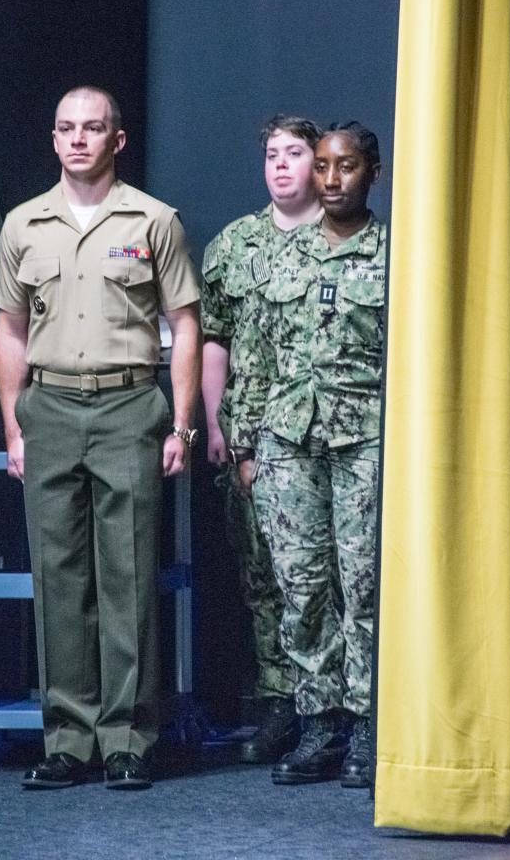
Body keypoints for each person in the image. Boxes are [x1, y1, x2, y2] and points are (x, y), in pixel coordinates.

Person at [0, 86, 201, 790]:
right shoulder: (24, 224)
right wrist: (12, 426)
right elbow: (11, 331)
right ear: (53, 140)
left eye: (93, 128)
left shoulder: (153, 220)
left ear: (117, 140)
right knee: (59, 578)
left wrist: (182, 422)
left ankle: (128, 737)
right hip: (48, 408)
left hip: (128, 405)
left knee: (129, 575)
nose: (78, 138)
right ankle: (67, 739)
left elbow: (185, 324)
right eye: (65, 128)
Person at [231, 122, 385, 789]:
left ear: (370, 172)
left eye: (344, 166)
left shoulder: (393, 253)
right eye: (320, 165)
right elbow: (255, 353)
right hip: (289, 442)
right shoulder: (283, 257)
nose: (329, 179)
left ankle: (365, 722)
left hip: (364, 440)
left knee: (364, 587)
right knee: (301, 589)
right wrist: (243, 440)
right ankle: (317, 720)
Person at [201, 115, 322, 762]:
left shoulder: (345, 240)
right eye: (271, 154)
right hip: (250, 441)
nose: (280, 165)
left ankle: (330, 709)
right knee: (262, 578)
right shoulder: (235, 245)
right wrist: (216, 422)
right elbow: (211, 339)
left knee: (324, 581)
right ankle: (278, 704)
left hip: (324, 443)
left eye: (294, 153)